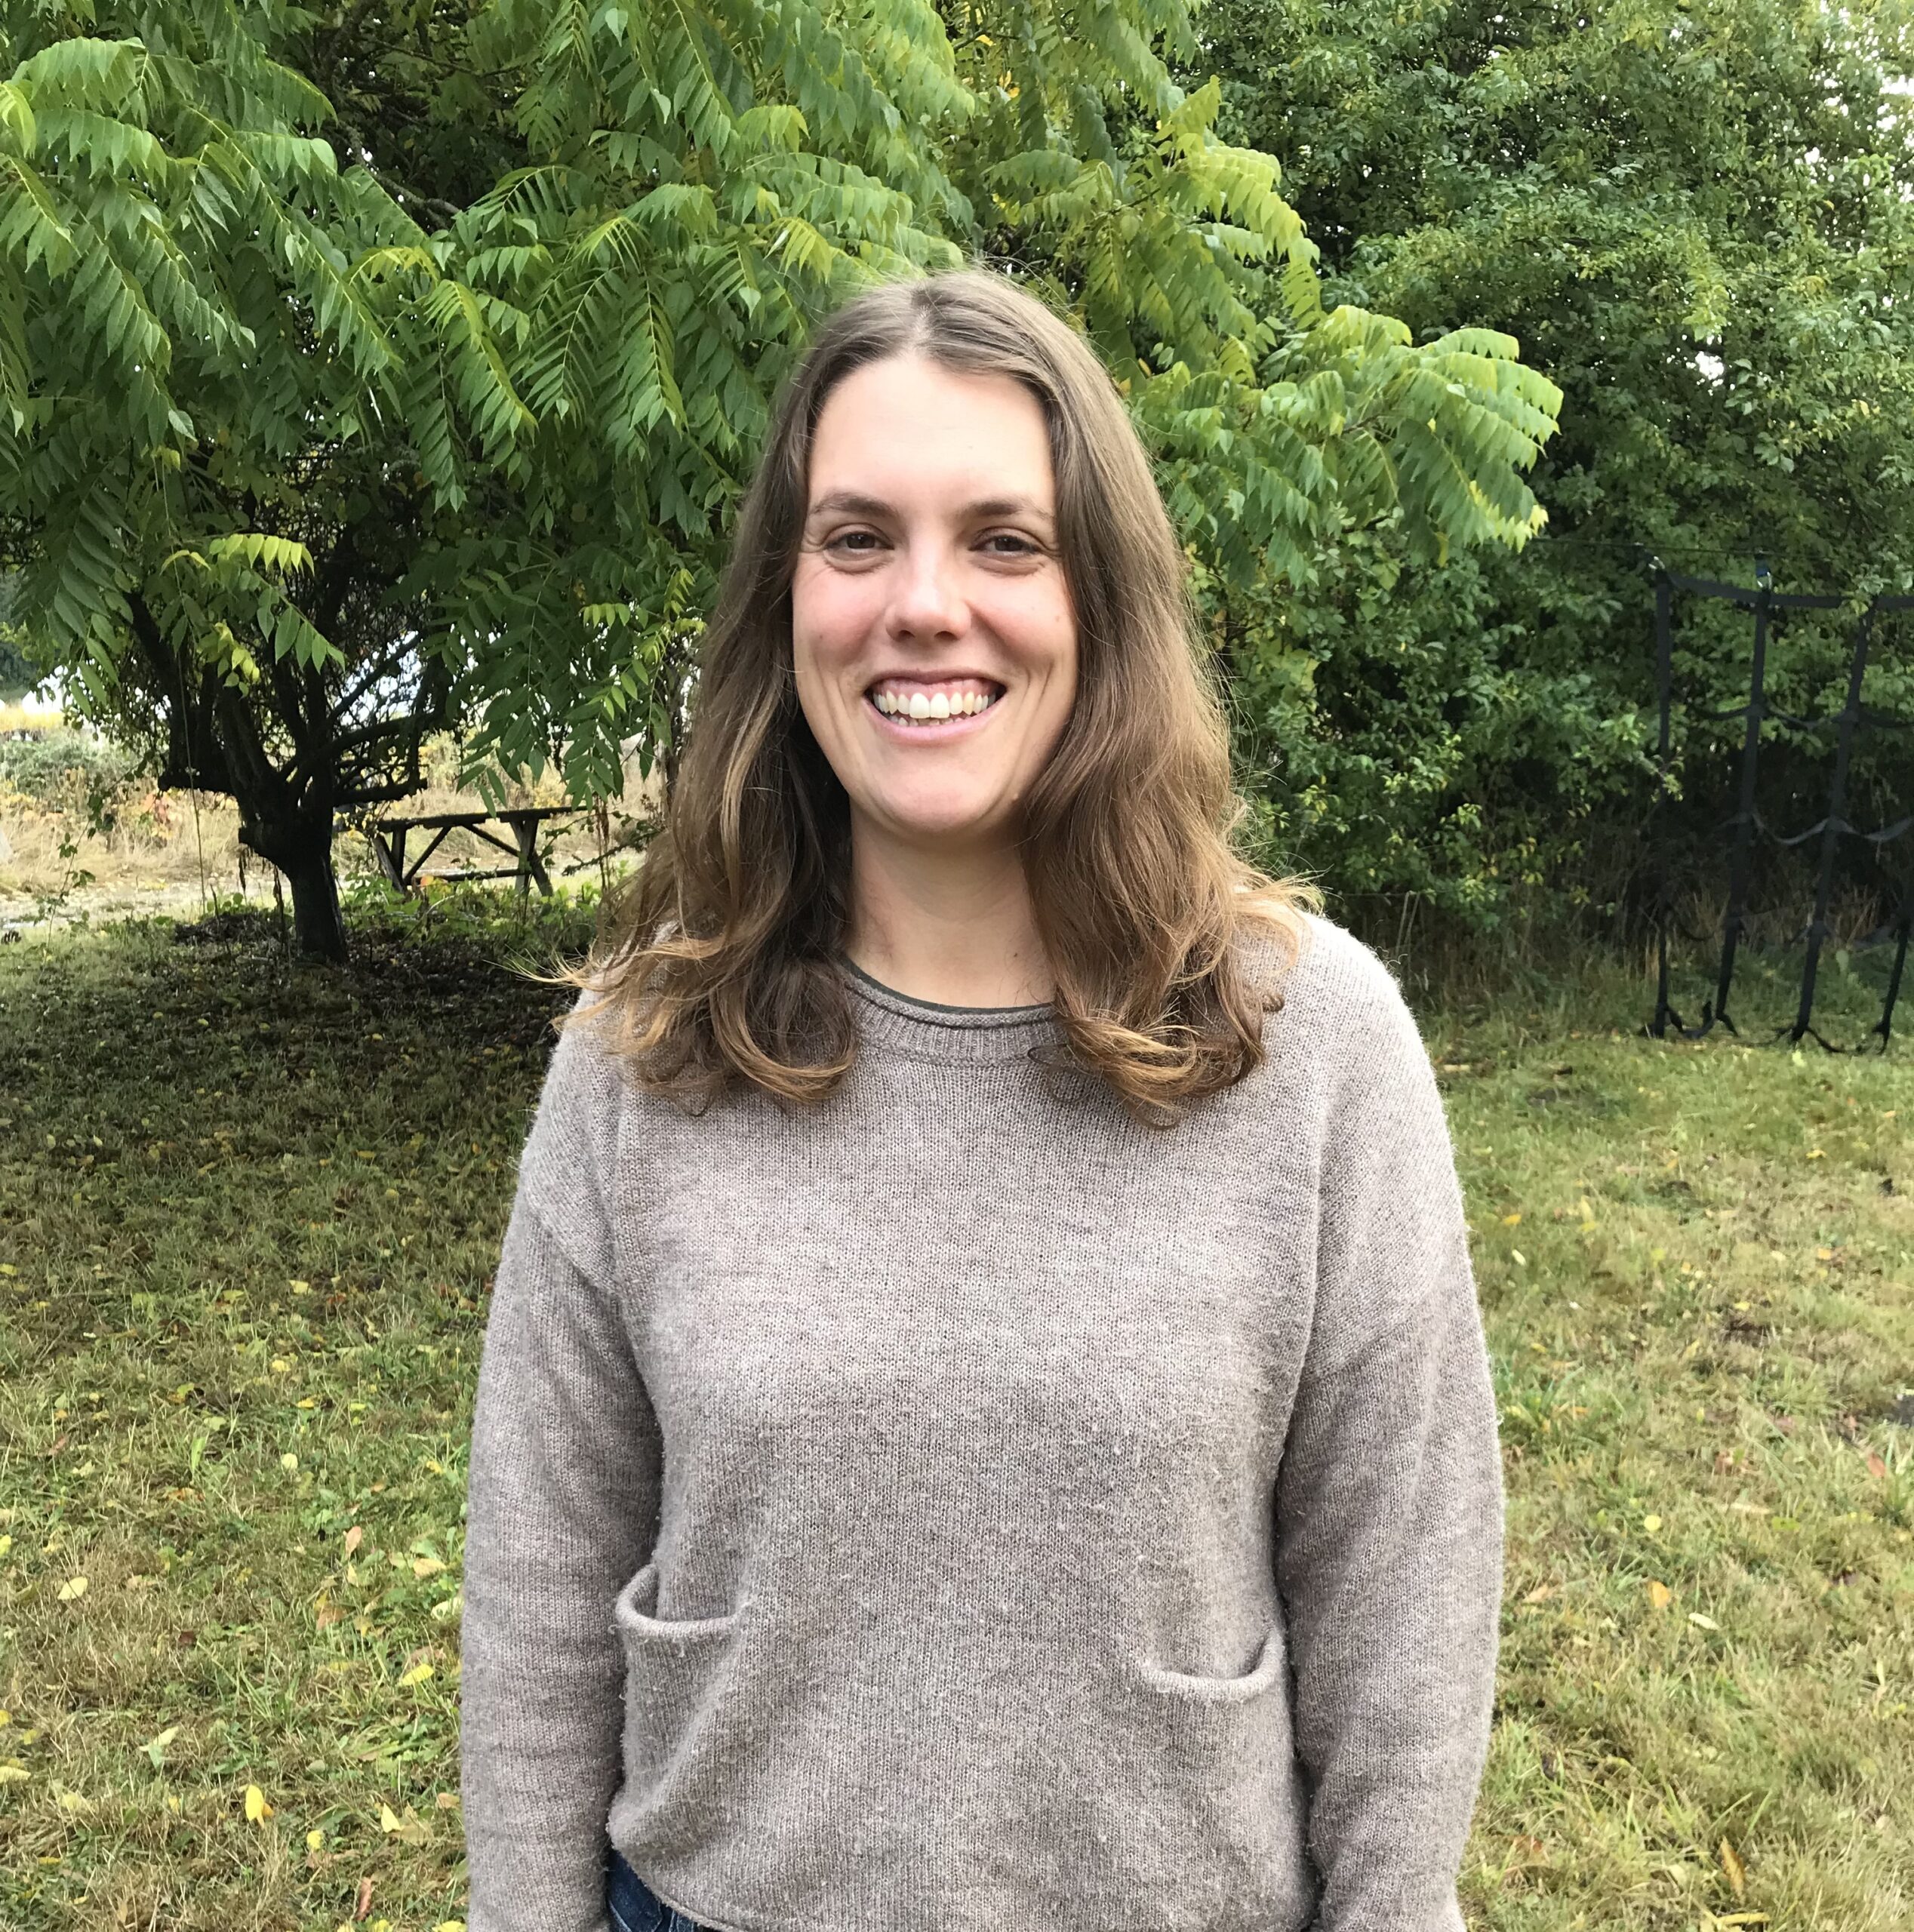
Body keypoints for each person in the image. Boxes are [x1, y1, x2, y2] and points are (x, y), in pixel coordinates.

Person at [459, 266, 1504, 1932]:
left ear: (1102, 597)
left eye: (1004, 540)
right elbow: (539, 1583)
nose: (923, 604)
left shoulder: (1310, 1043)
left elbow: (1404, 1591)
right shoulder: (642, 1049)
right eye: (857, 538)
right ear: (784, 598)